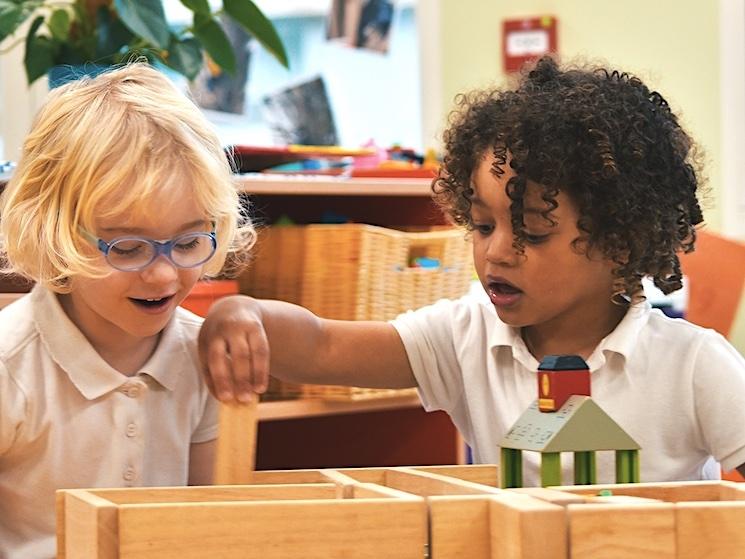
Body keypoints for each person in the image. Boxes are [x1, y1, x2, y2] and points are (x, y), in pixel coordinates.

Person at [198, 56, 745, 486]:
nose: (497, 253)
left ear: (619, 242)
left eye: (532, 230)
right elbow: (322, 347)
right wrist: (243, 313)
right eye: (483, 226)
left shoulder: (694, 368)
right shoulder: (467, 336)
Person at [0, 63, 254, 558]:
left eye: (186, 242)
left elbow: (211, 527)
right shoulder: (10, 367)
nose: (162, 275)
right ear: (54, 234)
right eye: (128, 248)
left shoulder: (202, 358)